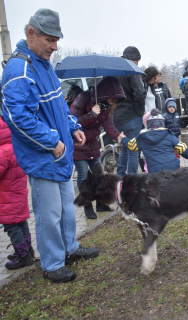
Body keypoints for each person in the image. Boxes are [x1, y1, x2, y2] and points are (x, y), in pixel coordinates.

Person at [1, 9, 98, 283]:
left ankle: (70, 249)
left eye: (57, 40)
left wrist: (73, 127)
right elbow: (17, 117)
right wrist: (50, 140)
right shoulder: (19, 70)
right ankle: (52, 263)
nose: (55, 47)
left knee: (67, 207)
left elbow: (58, 105)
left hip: (61, 152)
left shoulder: (43, 65)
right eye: (50, 40)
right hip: (43, 156)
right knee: (49, 213)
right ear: (32, 34)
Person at [70, 76, 126, 219]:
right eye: (112, 98)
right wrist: (91, 115)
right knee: (83, 175)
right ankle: (87, 206)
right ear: (106, 93)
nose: (114, 101)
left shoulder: (106, 106)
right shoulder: (83, 97)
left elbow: (108, 125)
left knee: (99, 175)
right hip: (78, 143)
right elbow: (71, 121)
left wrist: (118, 136)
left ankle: (101, 204)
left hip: (93, 144)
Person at [0, 118, 34, 270]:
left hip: (7, 198)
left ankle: (23, 256)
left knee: (11, 227)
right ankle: (28, 250)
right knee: (21, 222)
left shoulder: (2, 152)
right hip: (19, 194)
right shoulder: (15, 146)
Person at [120, 108, 188, 173]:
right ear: (163, 124)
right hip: (173, 169)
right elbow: (182, 148)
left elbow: (131, 145)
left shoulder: (143, 137)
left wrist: (123, 139)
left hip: (155, 172)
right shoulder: (169, 135)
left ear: (148, 125)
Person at [114, 46, 146, 177]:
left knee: (125, 147)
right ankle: (131, 181)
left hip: (116, 116)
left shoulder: (113, 69)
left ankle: (120, 177)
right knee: (133, 150)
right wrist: (140, 112)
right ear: (135, 59)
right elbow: (139, 92)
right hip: (131, 115)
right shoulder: (131, 69)